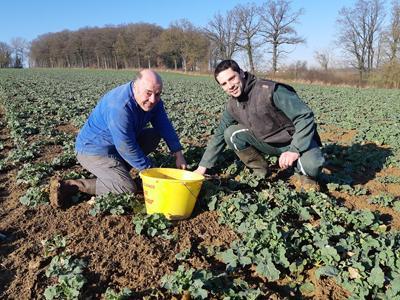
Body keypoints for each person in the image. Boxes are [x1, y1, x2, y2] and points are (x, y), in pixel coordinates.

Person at [50, 69, 187, 207]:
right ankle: (72, 186)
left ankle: (117, 172)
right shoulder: (120, 107)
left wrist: (178, 154)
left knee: (154, 135)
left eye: (157, 94)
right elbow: (126, 146)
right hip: (94, 150)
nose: (153, 100)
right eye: (149, 93)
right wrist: (149, 170)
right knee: (127, 188)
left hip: (117, 145)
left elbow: (164, 125)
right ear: (135, 87)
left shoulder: (153, 101)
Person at [194, 60, 324, 190]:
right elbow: (219, 134)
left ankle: (306, 175)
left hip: (294, 140)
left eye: (232, 78)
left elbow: (304, 116)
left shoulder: (270, 90)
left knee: (312, 166)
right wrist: (202, 167)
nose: (230, 86)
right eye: (224, 84)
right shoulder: (233, 106)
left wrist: (294, 150)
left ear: (241, 73)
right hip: (269, 143)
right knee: (230, 133)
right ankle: (261, 170)